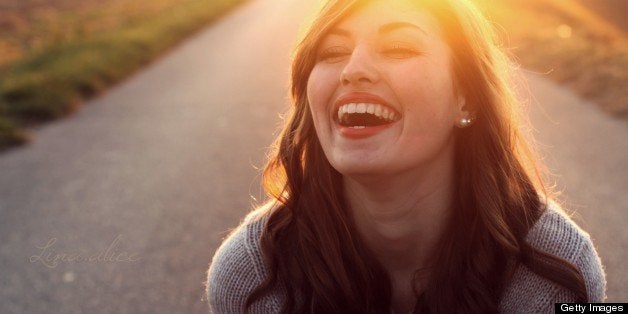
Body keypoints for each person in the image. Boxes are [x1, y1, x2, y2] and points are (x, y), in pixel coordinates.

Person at [206, 0, 606, 312]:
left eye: (398, 47)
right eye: (331, 52)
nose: (354, 68)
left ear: (465, 98)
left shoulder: (559, 274)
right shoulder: (250, 274)